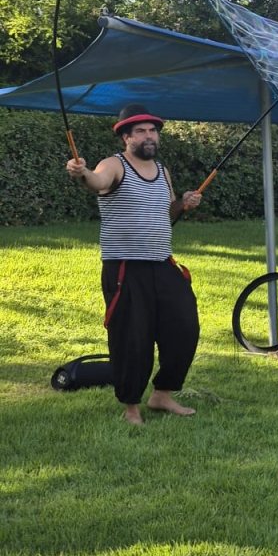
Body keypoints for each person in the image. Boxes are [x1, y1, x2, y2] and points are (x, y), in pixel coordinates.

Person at [64, 103, 202, 425]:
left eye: (152, 130)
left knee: (184, 326)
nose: (148, 135)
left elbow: (166, 213)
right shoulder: (114, 165)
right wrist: (81, 171)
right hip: (126, 267)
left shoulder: (162, 170)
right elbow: (96, 182)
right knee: (132, 338)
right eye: (140, 131)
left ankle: (163, 394)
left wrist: (183, 203)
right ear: (126, 137)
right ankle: (131, 407)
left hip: (162, 264)